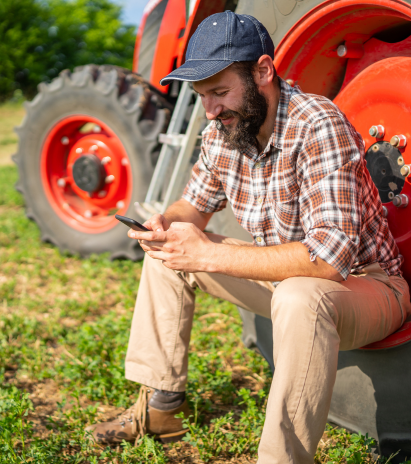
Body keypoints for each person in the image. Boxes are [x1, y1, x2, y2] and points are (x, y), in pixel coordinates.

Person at [85, 10, 411, 463]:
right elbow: (193, 207)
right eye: (202, 96)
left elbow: (327, 261)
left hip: (366, 287)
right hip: (285, 282)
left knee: (299, 297)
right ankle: (159, 409)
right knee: (169, 253)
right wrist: (168, 223)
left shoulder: (318, 124)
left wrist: (209, 255)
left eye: (220, 91)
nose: (212, 108)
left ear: (263, 70)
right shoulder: (224, 130)